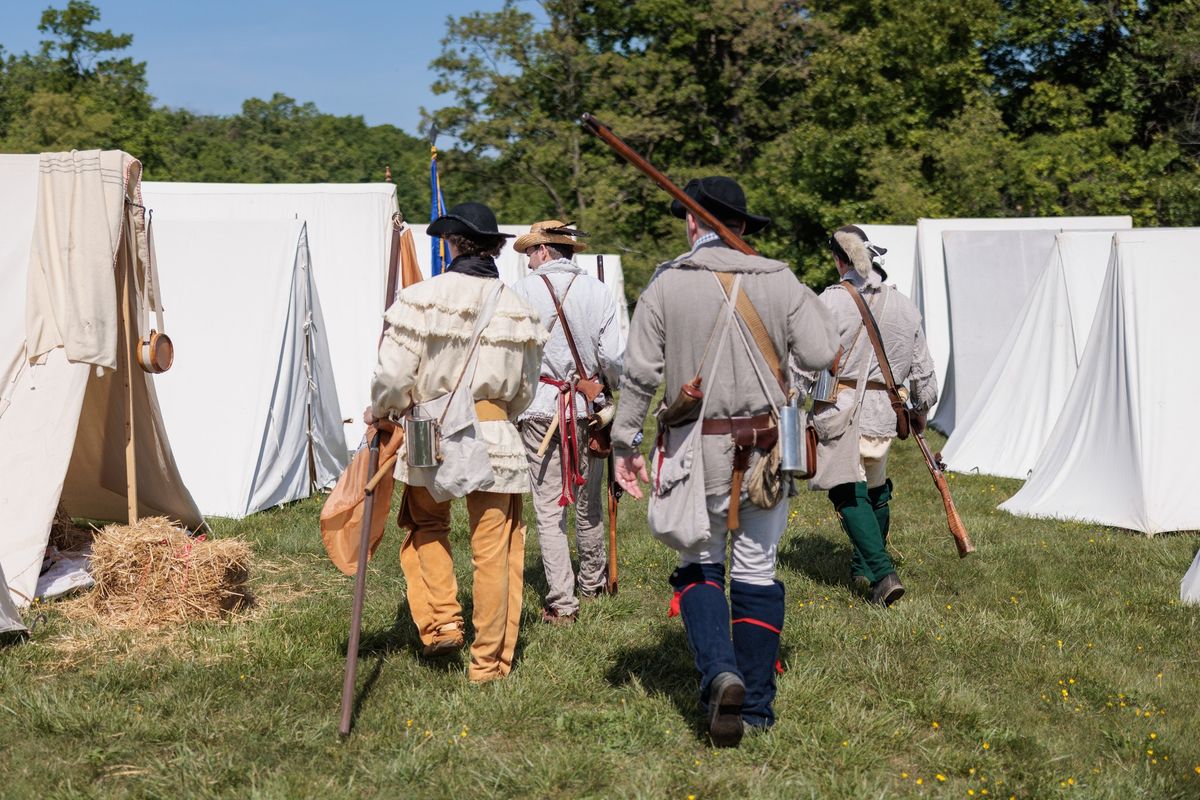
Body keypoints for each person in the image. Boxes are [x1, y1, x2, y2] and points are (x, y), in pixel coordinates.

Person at [611, 176, 838, 746]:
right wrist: (791, 288)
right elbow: (820, 352)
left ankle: (721, 674)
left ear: (692, 223)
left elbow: (638, 374)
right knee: (758, 569)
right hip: (768, 450)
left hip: (696, 452)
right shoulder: (781, 278)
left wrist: (623, 443)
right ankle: (757, 707)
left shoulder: (668, 285)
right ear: (741, 228)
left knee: (700, 564)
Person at [368, 201, 547, 683]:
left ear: (450, 243)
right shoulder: (521, 310)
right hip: (496, 435)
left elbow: (393, 376)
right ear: (494, 247)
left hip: (432, 430)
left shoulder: (421, 297)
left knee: (425, 521)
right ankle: (488, 664)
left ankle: (442, 619)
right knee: (497, 549)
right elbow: (526, 391)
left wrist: (382, 410)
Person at [806, 225, 937, 607]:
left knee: (847, 491)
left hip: (843, 411)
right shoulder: (904, 304)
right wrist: (921, 409)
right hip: (887, 414)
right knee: (875, 492)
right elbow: (923, 370)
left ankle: (882, 574)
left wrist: (790, 395)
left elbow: (806, 359)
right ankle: (863, 566)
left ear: (838, 259)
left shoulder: (830, 301)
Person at [511, 220, 625, 624]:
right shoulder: (599, 292)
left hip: (539, 409)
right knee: (589, 501)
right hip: (588, 412)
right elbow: (612, 359)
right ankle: (591, 584)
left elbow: (512, 358)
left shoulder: (521, 293)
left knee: (548, 509)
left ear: (545, 251)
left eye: (530, 251)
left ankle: (563, 599)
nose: (527, 259)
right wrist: (603, 388)